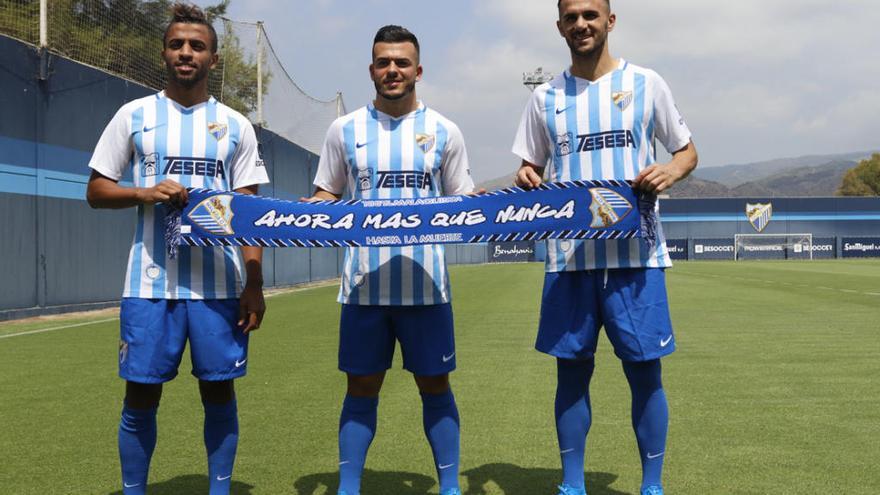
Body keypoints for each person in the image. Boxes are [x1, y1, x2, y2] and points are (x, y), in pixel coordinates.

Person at [511, 1, 698, 494]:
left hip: (636, 258)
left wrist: (671, 170)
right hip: (569, 259)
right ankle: (572, 485)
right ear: (559, 26)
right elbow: (529, 166)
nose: (581, 24)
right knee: (571, 375)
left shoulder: (646, 83)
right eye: (571, 17)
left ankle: (651, 485)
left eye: (591, 14)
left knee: (644, 374)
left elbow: (686, 150)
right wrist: (527, 175)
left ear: (610, 21)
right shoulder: (545, 97)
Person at [85, 4, 269, 494]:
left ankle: (220, 488)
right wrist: (142, 192)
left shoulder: (236, 126)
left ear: (213, 58)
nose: (186, 53)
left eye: (197, 46)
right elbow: (97, 191)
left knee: (218, 392)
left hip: (218, 287)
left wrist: (253, 284)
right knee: (140, 398)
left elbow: (249, 218)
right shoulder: (134, 115)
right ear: (164, 53)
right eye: (177, 44)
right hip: (148, 285)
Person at [307, 25, 475, 495]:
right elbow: (326, 192)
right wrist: (304, 213)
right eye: (384, 62)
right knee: (360, 389)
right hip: (363, 288)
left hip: (427, 287)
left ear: (418, 70)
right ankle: (348, 487)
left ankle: (448, 487)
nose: (393, 70)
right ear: (372, 70)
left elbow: (465, 204)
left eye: (402, 62)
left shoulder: (445, 130)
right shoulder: (345, 129)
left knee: (435, 388)